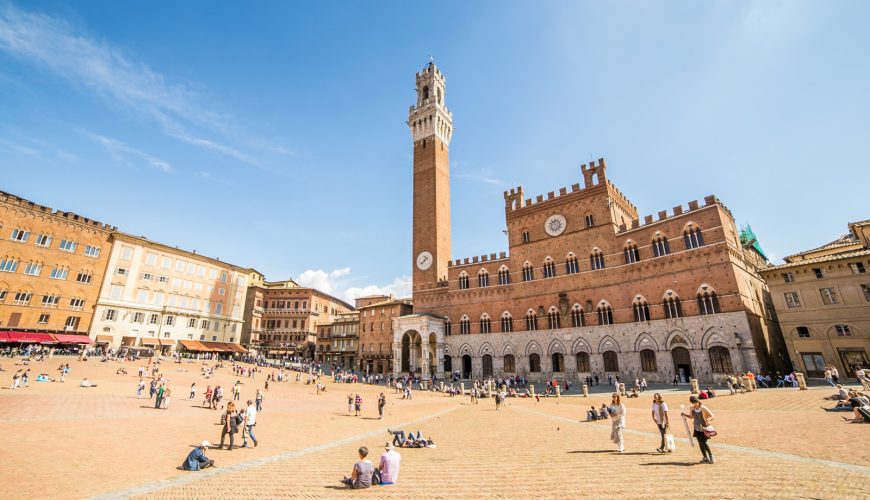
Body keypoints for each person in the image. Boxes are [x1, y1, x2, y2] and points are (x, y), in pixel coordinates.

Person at [681, 396, 716, 463]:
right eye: (693, 403)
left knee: (703, 442)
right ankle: (705, 457)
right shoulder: (692, 408)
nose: (695, 404)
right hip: (697, 428)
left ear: (698, 401)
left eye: (695, 402)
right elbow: (691, 416)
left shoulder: (703, 408)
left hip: (704, 428)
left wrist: (708, 419)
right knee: (700, 443)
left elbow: (712, 416)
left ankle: (711, 456)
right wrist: (684, 414)